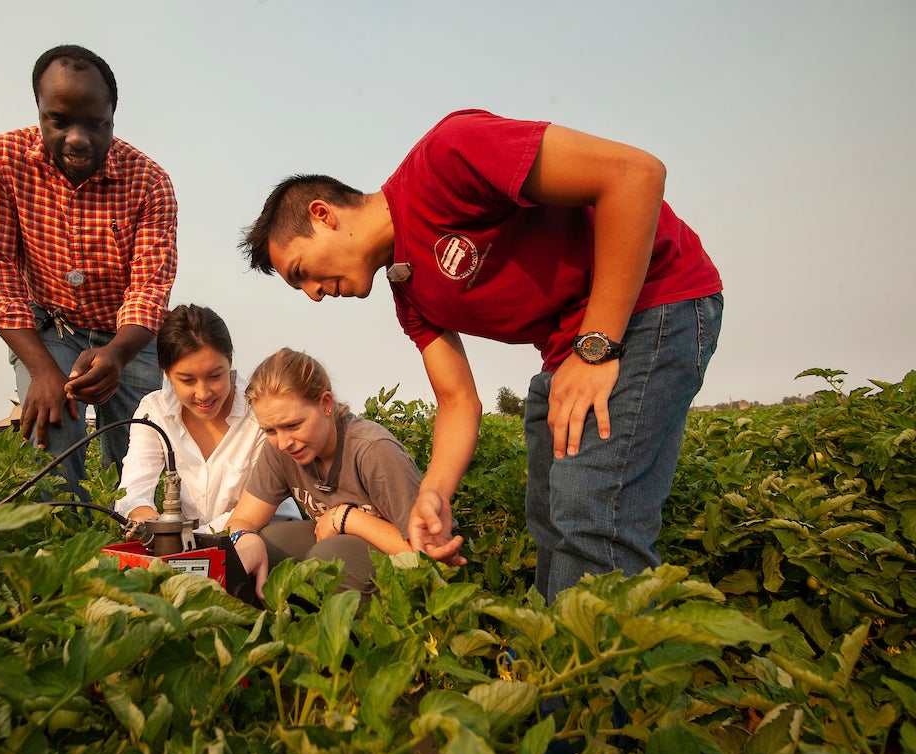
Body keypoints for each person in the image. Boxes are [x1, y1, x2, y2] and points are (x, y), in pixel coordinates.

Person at [240, 109, 723, 603]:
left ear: (323, 214)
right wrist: (433, 493)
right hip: (569, 348)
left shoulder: (447, 158)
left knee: (593, 512)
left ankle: (598, 673)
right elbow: (457, 402)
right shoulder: (410, 293)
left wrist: (595, 348)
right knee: (552, 516)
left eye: (300, 271)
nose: (313, 295)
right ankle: (553, 655)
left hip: (653, 303)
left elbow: (634, 174)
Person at [0, 44, 177, 497]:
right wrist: (43, 370)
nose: (78, 138)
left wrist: (117, 355)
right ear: (40, 112)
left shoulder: (149, 181)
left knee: (136, 451)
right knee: (51, 431)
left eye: (96, 124)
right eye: (59, 121)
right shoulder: (2, 162)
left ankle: (130, 549)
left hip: (129, 335)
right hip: (48, 327)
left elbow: (149, 286)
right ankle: (67, 542)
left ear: (112, 117)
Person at [225, 348, 450, 599]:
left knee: (327, 558)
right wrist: (244, 537)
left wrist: (346, 518)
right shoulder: (280, 449)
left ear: (325, 404)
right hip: (346, 549)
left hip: (405, 569)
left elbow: (428, 552)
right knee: (268, 542)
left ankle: (367, 632)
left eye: (293, 425)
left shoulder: (373, 451)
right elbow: (241, 519)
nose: (283, 442)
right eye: (270, 430)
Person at [116, 304, 298, 534]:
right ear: (166, 373)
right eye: (187, 380)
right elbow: (133, 490)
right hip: (192, 544)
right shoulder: (155, 411)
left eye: (215, 376)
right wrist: (146, 519)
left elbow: (255, 508)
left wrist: (185, 542)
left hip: (266, 534)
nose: (203, 394)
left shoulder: (259, 411)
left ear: (230, 362)